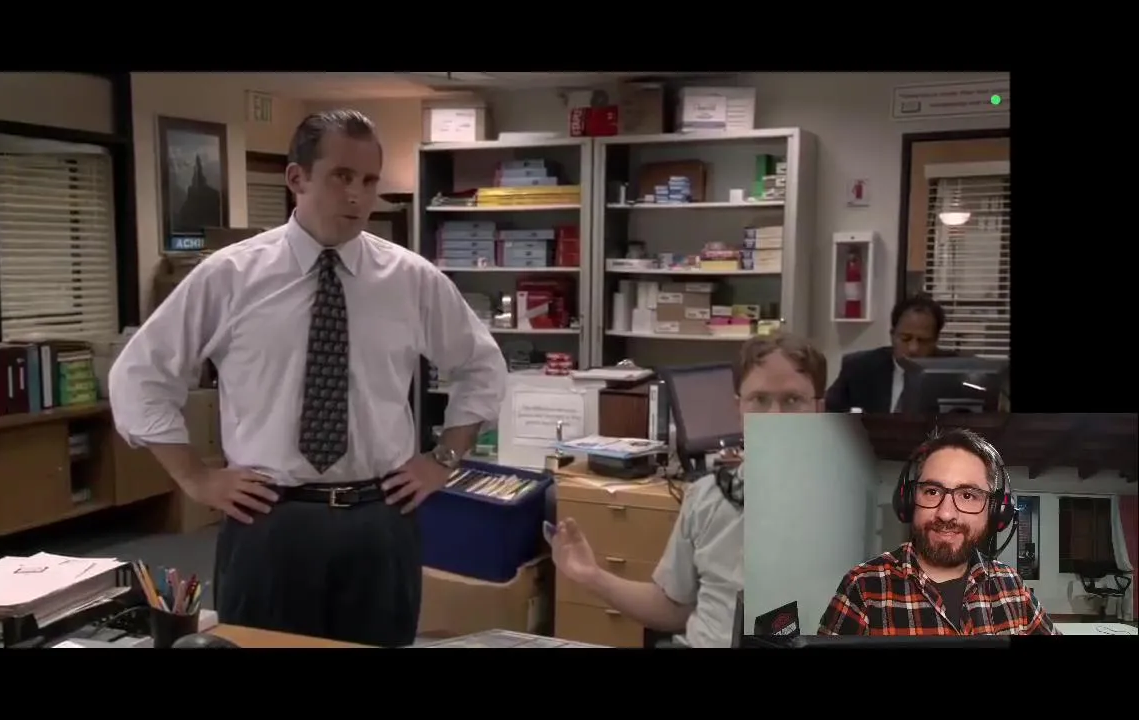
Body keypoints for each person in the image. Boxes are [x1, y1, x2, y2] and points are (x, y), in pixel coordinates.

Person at [108, 109, 507, 647]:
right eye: (342, 176)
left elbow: (481, 367)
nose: (357, 196)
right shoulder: (230, 276)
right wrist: (196, 478)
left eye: (369, 181)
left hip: (380, 519)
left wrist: (443, 459)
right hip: (271, 519)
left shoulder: (410, 279)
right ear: (297, 178)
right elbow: (139, 377)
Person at [548, 332, 827, 647]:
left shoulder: (853, 505)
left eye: (792, 400)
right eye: (759, 400)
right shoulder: (707, 496)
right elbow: (672, 608)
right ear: (738, 408)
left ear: (819, 409)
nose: (774, 417)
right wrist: (593, 576)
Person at [817, 428, 1057, 636]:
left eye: (968, 495)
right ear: (908, 500)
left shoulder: (1012, 587)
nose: (946, 514)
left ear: (996, 511)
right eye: (932, 492)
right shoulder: (862, 586)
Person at [824, 293, 951, 413]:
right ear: (892, 335)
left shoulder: (951, 375)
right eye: (905, 338)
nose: (913, 348)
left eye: (923, 341)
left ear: (935, 340)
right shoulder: (858, 368)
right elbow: (828, 415)